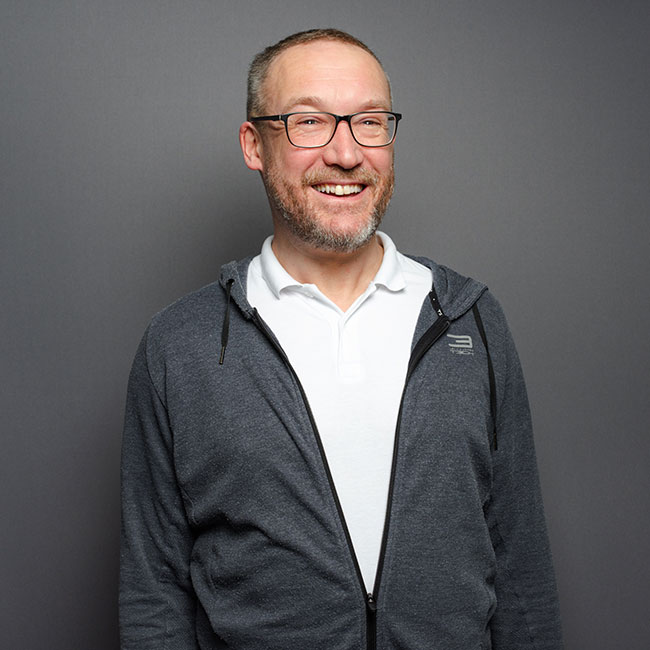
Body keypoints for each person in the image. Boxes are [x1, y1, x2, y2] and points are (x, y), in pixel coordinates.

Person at [120, 28, 563, 650]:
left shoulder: (471, 320)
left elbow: (522, 575)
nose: (347, 153)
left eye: (369, 122)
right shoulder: (181, 345)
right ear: (254, 144)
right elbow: (155, 591)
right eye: (309, 122)